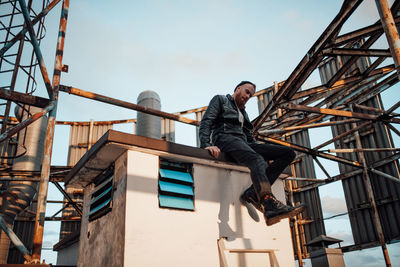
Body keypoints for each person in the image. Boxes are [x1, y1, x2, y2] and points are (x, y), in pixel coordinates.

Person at [199, 81, 304, 225]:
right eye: (247, 92)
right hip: (225, 138)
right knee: (257, 159)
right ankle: (268, 202)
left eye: (251, 95)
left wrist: (268, 158)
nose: (248, 96)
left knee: (288, 153)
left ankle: (253, 194)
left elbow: (250, 139)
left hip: (244, 144)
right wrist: (206, 145)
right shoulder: (221, 100)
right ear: (238, 89)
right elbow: (206, 122)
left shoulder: (244, 113)